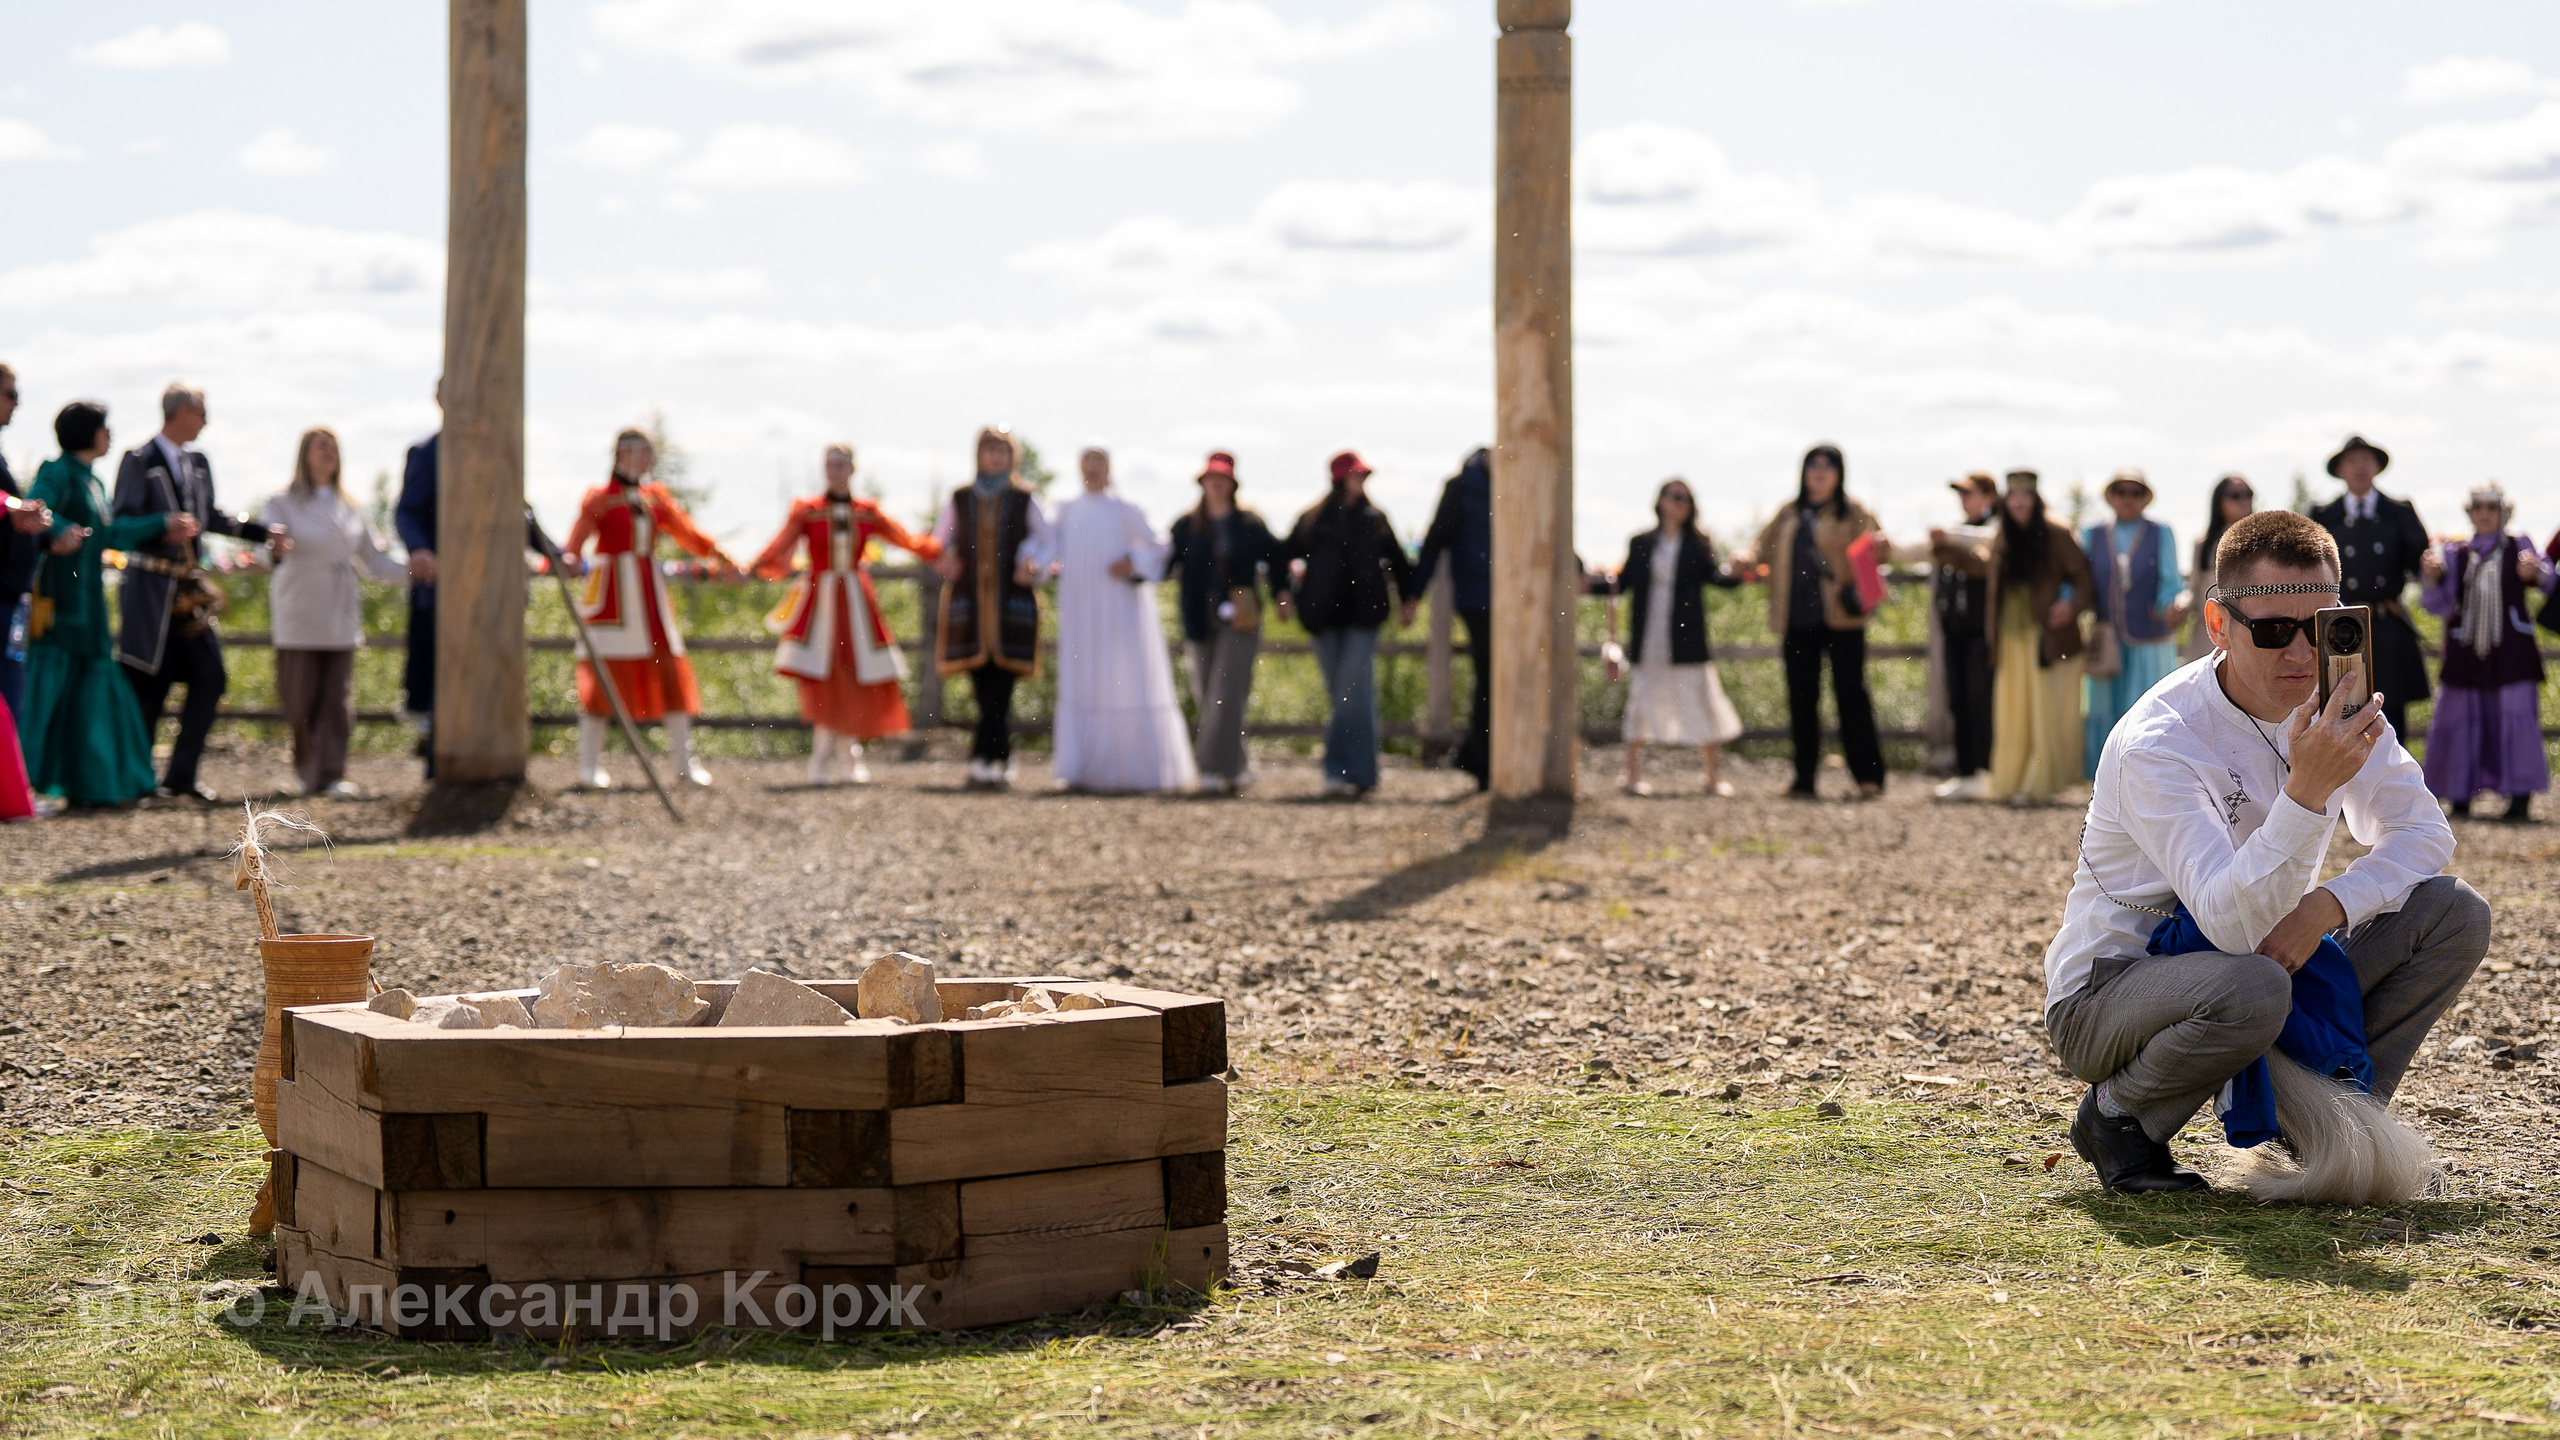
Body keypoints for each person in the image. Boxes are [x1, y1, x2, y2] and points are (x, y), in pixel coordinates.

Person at [2044, 509, 2482, 1194]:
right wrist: (2307, 792)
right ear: (2218, 625)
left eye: (2323, 629)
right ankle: (2119, 1118)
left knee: (2453, 913)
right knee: (2254, 985)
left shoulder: (2336, 702)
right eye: (2275, 631)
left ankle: (2338, 1121)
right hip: (2110, 993)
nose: (2303, 655)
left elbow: (2426, 833)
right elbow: (2228, 925)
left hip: (2268, 964)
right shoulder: (2160, 741)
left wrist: (2326, 907)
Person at [114, 383, 286, 803]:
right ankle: (139, 781)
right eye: (201, 413)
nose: (206, 422)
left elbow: (212, 517)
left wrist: (262, 533)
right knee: (148, 685)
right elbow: (119, 524)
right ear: (181, 413)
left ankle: (181, 775)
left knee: (211, 675)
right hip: (150, 592)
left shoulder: (198, 463)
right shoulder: (139, 461)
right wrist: (161, 524)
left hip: (188, 593)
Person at [23, 402, 196, 806]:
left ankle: (91, 787)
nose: (110, 434)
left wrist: (162, 523)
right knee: (46, 701)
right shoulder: (57, 471)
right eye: (105, 427)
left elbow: (111, 534)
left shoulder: (94, 483)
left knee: (90, 699)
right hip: (59, 608)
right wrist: (60, 530)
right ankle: (23, 788)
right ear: (88, 431)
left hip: (91, 612)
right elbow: (37, 508)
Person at [747, 444, 942, 785]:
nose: (835, 471)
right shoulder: (808, 511)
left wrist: (937, 552)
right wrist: (754, 566)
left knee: (854, 672)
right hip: (820, 600)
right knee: (824, 672)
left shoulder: (866, 512)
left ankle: (847, 755)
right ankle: (825, 758)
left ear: (852, 469)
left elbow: (904, 538)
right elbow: (782, 545)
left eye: (841, 465)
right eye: (830, 465)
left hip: (855, 602)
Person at [560, 427, 738, 789]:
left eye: (650, 452)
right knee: (603, 676)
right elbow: (575, 544)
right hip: (612, 595)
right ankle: (589, 766)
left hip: (648, 594)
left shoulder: (655, 497)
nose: (649, 459)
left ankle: (684, 763)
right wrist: (567, 559)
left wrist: (722, 558)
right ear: (623, 453)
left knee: (670, 670)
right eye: (643, 451)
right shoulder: (600, 498)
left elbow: (688, 533)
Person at [1029, 446, 1197, 794]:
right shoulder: (1065, 509)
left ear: (1109, 468)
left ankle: (1133, 770)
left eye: (1098, 462)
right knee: (1084, 675)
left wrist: (1133, 563)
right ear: (1078, 467)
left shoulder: (1123, 509)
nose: (1092, 468)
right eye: (1086, 462)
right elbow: (1045, 547)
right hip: (1080, 608)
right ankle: (1083, 768)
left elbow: (1158, 547)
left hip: (1119, 608)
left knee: (1122, 676)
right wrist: (1033, 563)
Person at [259, 428, 405, 797]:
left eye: (334, 447)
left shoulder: (350, 506)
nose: (329, 453)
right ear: (305, 454)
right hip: (300, 607)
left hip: (339, 609)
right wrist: (274, 549)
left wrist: (415, 571)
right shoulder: (282, 501)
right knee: (299, 696)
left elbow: (372, 559)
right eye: (321, 446)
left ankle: (330, 773)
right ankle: (305, 769)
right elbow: (264, 550)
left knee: (336, 698)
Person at [1749, 443, 1888, 799]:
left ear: (1840, 473)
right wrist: (1741, 558)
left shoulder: (1854, 511)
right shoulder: (1789, 512)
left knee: (1851, 696)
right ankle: (1804, 778)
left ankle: (1868, 777)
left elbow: (1878, 551)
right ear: (1804, 471)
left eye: (1828, 465)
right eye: (1813, 465)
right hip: (1796, 615)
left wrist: (1881, 546)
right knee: (1801, 698)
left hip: (1842, 616)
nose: (1820, 471)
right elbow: (1759, 548)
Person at [1280, 451, 1418, 799]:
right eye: (1356, 476)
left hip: (1363, 617)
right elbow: (1282, 554)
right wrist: (1283, 590)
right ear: (1340, 479)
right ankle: (1364, 773)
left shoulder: (1374, 519)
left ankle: (1337, 769)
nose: (1361, 482)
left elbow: (1400, 563)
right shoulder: (1313, 520)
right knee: (1349, 696)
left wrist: (1408, 599)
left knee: (1349, 693)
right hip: (1323, 618)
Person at [2418, 484, 2553, 822]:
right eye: (2478, 508)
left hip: (2511, 648)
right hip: (2466, 648)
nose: (2485, 515)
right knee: (2457, 715)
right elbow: (2439, 604)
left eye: (2492, 508)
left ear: (2504, 513)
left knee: (2516, 715)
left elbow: (2548, 578)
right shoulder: (2455, 553)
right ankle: (2458, 795)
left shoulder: (2519, 546)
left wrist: (2535, 572)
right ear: (2470, 513)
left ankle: (2520, 797)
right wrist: (2432, 579)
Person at [1604, 477, 1744, 797]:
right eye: (1674, 496)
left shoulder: (1698, 544)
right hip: (1649, 631)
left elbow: (1716, 578)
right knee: (1641, 698)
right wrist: (1588, 581)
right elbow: (1622, 582)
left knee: (1699, 696)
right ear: (1660, 501)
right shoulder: (1640, 543)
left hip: (1686, 636)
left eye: (1685, 498)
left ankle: (1711, 776)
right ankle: (1631, 773)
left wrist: (1736, 573)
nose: (1680, 503)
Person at [932, 427, 1051, 790]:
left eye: (1002, 451)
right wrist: (943, 562)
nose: (996, 457)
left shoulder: (1024, 499)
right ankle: (998, 756)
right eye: (990, 450)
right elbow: (938, 540)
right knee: (982, 684)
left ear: (1011, 457)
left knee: (1002, 685)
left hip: (1011, 602)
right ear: (979, 455)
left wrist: (1032, 563)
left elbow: (1047, 540)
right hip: (969, 602)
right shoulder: (960, 498)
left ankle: (986, 756)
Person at [1163, 452, 1278, 795]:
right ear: (1202, 483)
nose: (1216, 484)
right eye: (1210, 478)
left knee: (1227, 691)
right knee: (1207, 691)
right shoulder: (1187, 526)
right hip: (1199, 614)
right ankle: (1238, 765)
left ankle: (1212, 769)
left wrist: (1284, 591)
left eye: (1222, 479)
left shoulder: (1250, 525)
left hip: (1241, 613)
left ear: (1231, 483)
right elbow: (1164, 562)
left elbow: (1276, 558)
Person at [1981, 470, 2094, 805]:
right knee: (2013, 711)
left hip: (2043, 637)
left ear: (2035, 498)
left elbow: (2083, 576)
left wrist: (2070, 606)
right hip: (2009, 637)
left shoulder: (2057, 533)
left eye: (2025, 495)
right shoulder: (2001, 536)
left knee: (2044, 712)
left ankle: (2037, 784)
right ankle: (2012, 781)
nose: (2018, 501)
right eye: (2012, 495)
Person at [2308, 436, 2430, 742]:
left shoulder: (2398, 512)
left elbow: (2422, 561)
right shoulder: (2324, 515)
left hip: (2385, 624)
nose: (2359, 467)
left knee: (2391, 712)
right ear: (2340, 469)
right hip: (2340, 627)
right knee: (2340, 705)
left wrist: (2434, 567)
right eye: (2352, 461)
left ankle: (2395, 786)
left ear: (2376, 466)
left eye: (2365, 460)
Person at [2082, 470, 2188, 760]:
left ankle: (2150, 767)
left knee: (2147, 706)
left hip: (2149, 636)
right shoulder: (2092, 534)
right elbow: (2079, 582)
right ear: (2111, 496)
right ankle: (2103, 773)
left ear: (2145, 498)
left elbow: (2171, 581)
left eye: (2135, 492)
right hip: (2108, 635)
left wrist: (2171, 605)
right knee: (2106, 706)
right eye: (2121, 491)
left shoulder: (2160, 532)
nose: (2128, 498)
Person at [1414, 446, 1493, 789]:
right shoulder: (1461, 487)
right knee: (1491, 676)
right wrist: (1414, 592)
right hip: (1477, 597)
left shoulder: (1517, 483)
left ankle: (1477, 756)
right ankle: (1480, 759)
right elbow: (1436, 538)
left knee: (1496, 677)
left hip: (1513, 598)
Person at [1928, 473, 2000, 800]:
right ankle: (1966, 770)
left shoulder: (1994, 531)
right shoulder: (1956, 535)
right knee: (1957, 700)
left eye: (1969, 493)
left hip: (1980, 631)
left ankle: (1984, 770)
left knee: (1979, 699)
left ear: (1987, 495)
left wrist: (1948, 544)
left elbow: (1982, 555)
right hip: (1954, 630)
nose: (1963, 499)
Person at [1, 362, 58, 726]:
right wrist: (10, 507)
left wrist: (48, 535)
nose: (17, 405)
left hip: (11, 600)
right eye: (11, 395)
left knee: (11, 696)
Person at [391, 387, 440, 773]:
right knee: (434, 670)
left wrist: (554, 553)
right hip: (439, 583)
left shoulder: (496, 449)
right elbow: (407, 511)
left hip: (491, 591)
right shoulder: (426, 453)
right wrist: (419, 548)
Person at [2181, 475, 2253, 663]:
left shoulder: (2264, 543)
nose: (2244, 500)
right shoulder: (2204, 544)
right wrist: (2178, 607)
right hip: (2209, 633)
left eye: (2248, 494)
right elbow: (2195, 590)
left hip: (2250, 631)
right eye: (2235, 495)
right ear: (2218, 502)